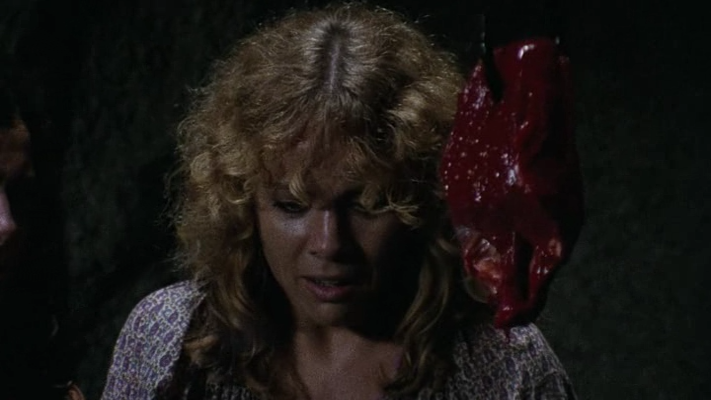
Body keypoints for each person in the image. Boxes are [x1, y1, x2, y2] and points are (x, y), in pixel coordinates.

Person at [101, 4, 576, 399]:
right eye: (291, 206)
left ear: (423, 202)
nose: (329, 244)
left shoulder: (505, 367)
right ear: (242, 205)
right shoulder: (171, 339)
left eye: (368, 204)